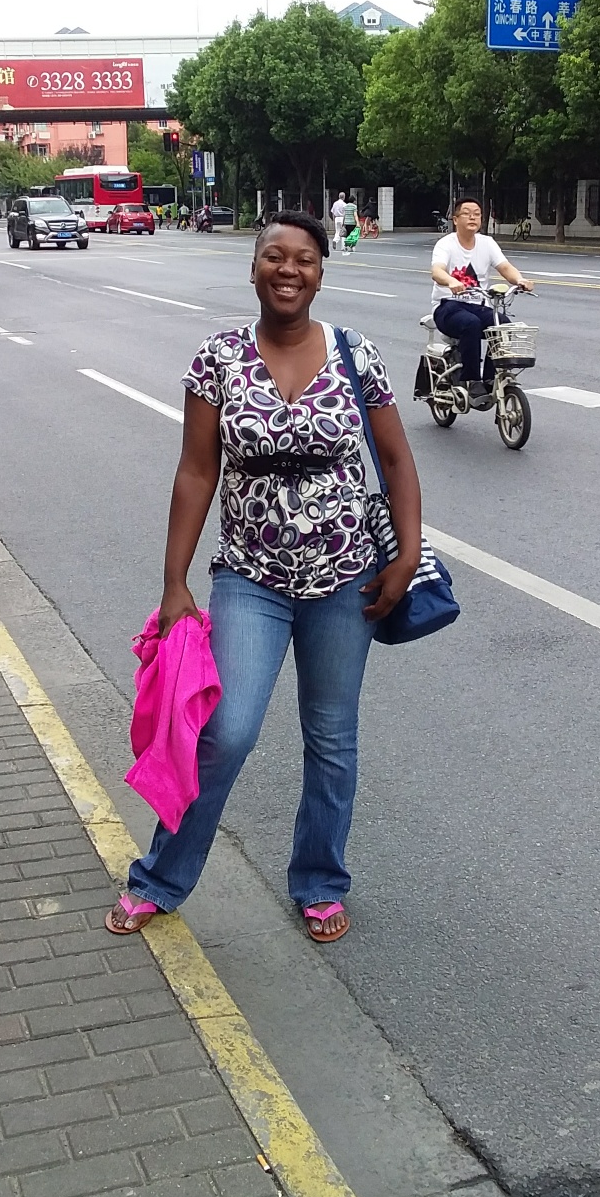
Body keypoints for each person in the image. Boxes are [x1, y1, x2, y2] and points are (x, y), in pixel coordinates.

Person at [105, 211, 422, 944]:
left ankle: (319, 882)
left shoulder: (355, 354)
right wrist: (175, 583)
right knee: (226, 731)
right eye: (275, 257)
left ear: (320, 272)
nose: (289, 270)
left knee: (332, 737)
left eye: (304, 259)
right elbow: (197, 471)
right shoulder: (219, 358)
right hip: (250, 576)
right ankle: (160, 878)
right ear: (253, 268)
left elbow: (397, 460)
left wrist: (404, 555)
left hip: (346, 579)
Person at [430, 197, 532, 407]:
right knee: (471, 324)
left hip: (478, 305)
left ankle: (489, 378)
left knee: (502, 325)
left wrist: (519, 280)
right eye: (467, 213)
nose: (472, 217)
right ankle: (472, 380)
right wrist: (451, 281)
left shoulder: (487, 243)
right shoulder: (446, 244)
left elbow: (505, 267)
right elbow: (437, 271)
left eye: (476, 214)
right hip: (448, 306)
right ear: (455, 219)